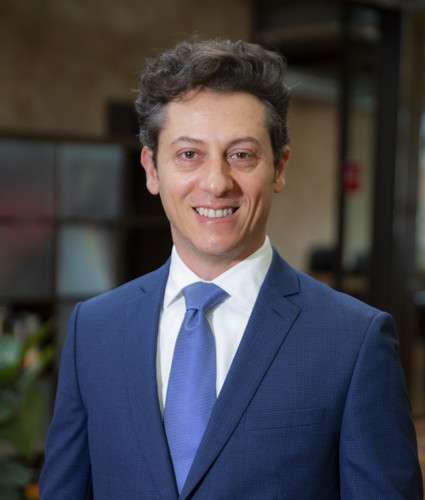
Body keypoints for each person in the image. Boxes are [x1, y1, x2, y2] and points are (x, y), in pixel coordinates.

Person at [39, 39, 423, 500]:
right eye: (189, 154)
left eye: (241, 155)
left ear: (279, 167)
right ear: (152, 169)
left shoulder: (354, 341)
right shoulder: (94, 330)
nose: (217, 182)